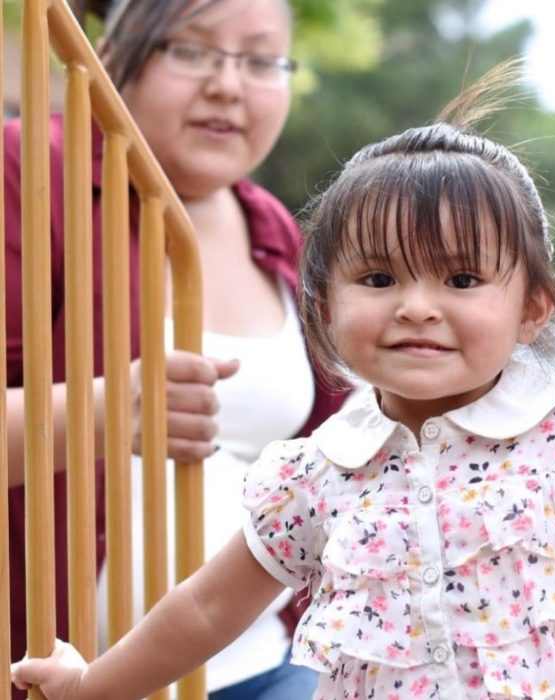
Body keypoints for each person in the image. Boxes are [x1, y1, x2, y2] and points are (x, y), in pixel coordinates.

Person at [11, 63, 555, 700]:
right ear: (324, 309)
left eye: (461, 279)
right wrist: (89, 687)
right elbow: (206, 607)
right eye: (378, 279)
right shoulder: (317, 475)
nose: (417, 306)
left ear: (531, 308)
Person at [5, 0, 345, 698]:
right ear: (111, 49)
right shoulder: (30, 171)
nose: (228, 85)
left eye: (259, 59)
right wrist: (101, 411)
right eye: (190, 50)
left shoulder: (279, 231)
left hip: (267, 670)